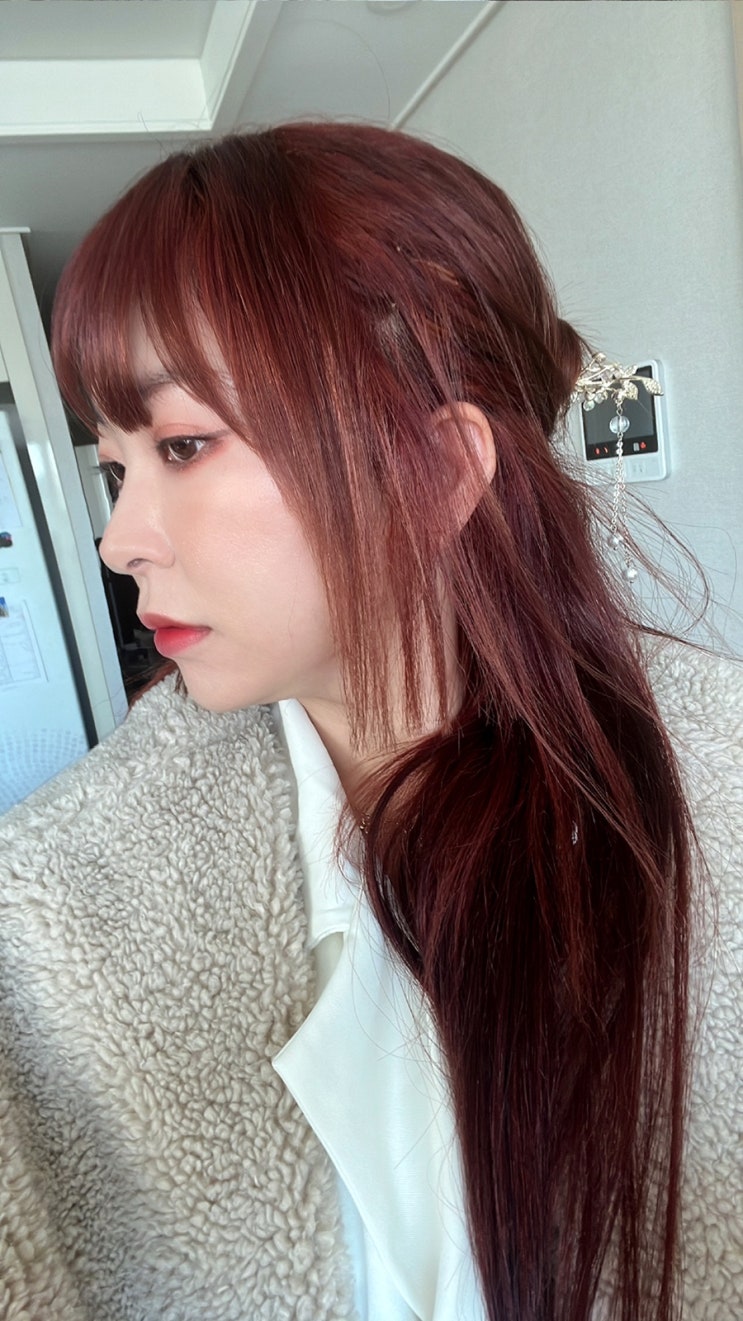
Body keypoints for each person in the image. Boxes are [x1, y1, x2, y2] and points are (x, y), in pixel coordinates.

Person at [0, 124, 740, 1321]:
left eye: (182, 444)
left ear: (437, 473)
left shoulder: (718, 804)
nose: (119, 540)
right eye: (117, 467)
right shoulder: (52, 919)